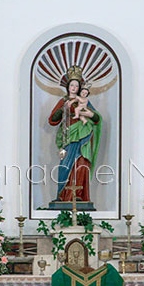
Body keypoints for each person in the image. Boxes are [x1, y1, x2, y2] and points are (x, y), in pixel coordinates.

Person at [48, 67, 101, 205]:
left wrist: (89, 114)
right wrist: (63, 108)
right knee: (65, 164)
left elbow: (96, 118)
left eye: (76, 85)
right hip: (68, 136)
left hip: (83, 135)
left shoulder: (84, 101)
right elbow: (52, 120)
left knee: (82, 164)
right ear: (67, 86)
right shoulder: (63, 101)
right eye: (72, 85)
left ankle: (79, 195)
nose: (74, 87)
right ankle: (62, 194)